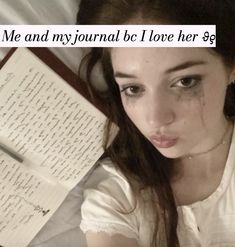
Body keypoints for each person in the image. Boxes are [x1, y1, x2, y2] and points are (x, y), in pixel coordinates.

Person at [76, 0, 235, 246]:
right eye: (133, 88)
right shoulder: (118, 196)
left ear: (231, 68)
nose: (155, 119)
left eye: (185, 81)